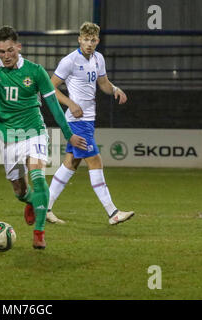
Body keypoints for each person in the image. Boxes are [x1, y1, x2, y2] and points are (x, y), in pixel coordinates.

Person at [0, 26, 87, 249]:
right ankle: (32, 203)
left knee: (37, 176)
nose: (6, 56)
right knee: (20, 191)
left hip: (33, 132)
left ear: (18, 47)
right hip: (7, 138)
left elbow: (53, 106)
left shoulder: (35, 72)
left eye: (10, 51)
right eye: (1, 52)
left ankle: (39, 233)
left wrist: (69, 135)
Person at [46, 22, 134, 225]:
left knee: (71, 163)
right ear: (79, 39)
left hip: (88, 119)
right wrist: (70, 103)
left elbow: (103, 83)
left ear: (97, 41)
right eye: (85, 39)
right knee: (95, 161)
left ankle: (45, 207)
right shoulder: (69, 61)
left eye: (93, 40)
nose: (89, 43)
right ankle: (113, 213)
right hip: (77, 120)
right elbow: (50, 88)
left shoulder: (98, 58)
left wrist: (115, 89)